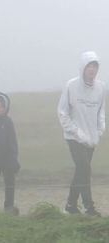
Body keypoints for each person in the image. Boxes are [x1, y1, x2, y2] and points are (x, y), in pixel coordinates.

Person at [58, 51, 105, 216]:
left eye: (95, 66)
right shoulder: (71, 86)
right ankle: (89, 207)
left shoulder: (100, 87)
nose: (92, 70)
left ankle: (70, 205)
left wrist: (100, 130)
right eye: (89, 66)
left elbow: (101, 111)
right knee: (85, 169)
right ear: (83, 68)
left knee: (81, 171)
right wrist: (75, 132)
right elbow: (62, 112)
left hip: (91, 139)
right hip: (74, 137)